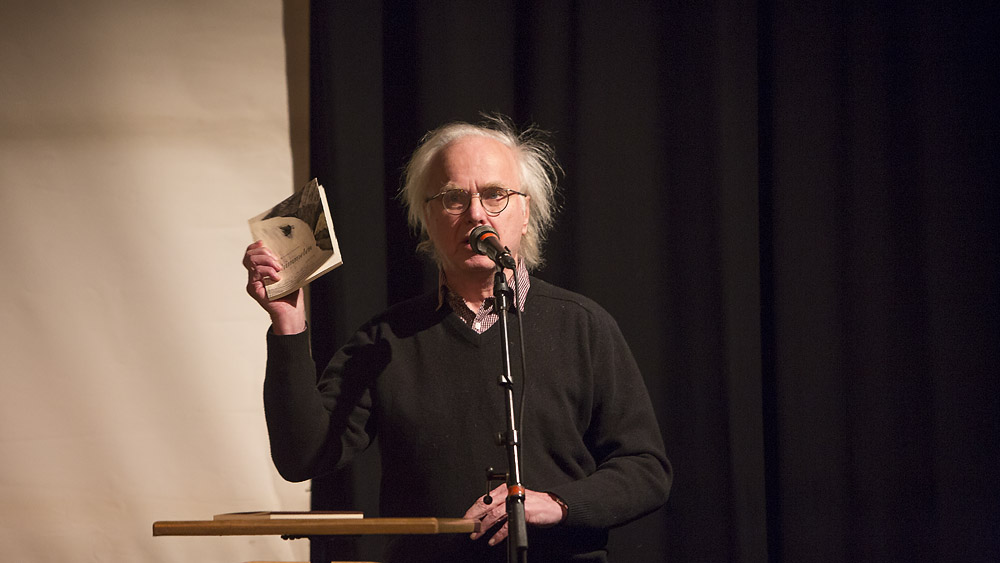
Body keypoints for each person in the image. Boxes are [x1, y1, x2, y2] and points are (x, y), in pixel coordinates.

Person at [243, 115, 671, 562]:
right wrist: (288, 322)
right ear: (426, 218)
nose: (476, 214)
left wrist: (558, 504)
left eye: (495, 194)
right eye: (453, 198)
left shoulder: (584, 326)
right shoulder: (384, 340)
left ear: (526, 212)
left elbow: (646, 469)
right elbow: (303, 457)